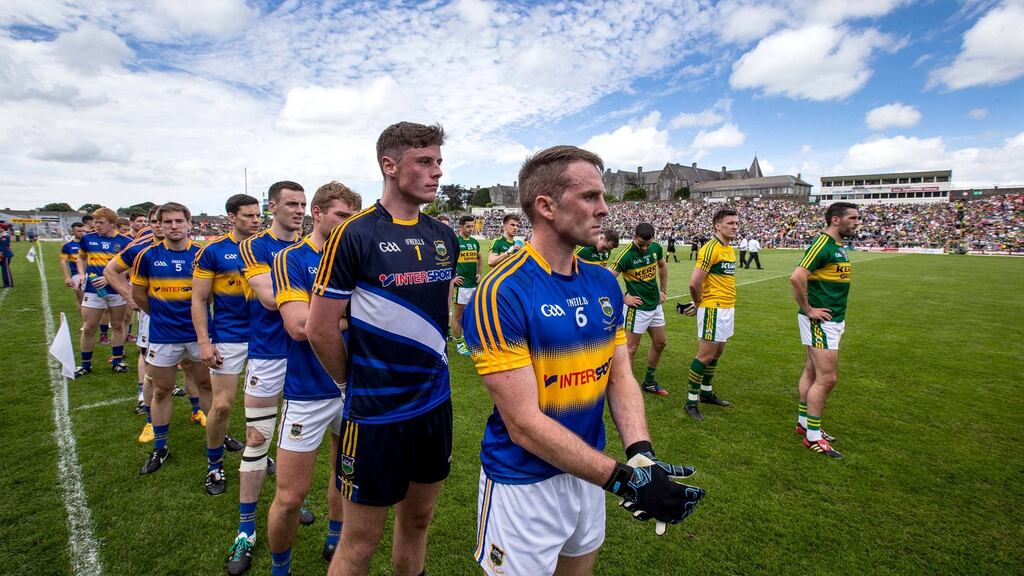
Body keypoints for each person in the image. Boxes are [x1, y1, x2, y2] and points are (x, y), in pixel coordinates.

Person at [463, 145, 704, 576]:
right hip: (524, 482)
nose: (605, 209)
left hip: (588, 469)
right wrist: (624, 481)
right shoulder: (501, 291)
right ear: (546, 206)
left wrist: (640, 454)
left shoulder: (603, 282)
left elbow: (619, 375)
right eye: (590, 196)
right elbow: (523, 423)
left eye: (603, 196)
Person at [307, 121, 457, 576]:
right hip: (375, 414)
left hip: (434, 406)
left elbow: (438, 314)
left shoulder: (443, 236)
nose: (437, 172)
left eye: (438, 161)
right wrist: (348, 383)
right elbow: (319, 328)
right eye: (424, 161)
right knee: (359, 542)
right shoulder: (354, 233)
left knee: (418, 520)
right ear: (389, 166)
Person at [267, 182, 362, 575]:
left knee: (345, 478)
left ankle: (335, 536)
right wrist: (352, 319)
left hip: (354, 390)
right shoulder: (291, 258)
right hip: (308, 391)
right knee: (291, 496)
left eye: (353, 218)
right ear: (317, 214)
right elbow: (299, 326)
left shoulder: (358, 259)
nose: (347, 224)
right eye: (341, 215)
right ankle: (280, 568)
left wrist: (327, 320)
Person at [229, 180, 307, 574]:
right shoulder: (255, 247)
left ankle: (288, 504)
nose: (299, 211)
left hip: (307, 355)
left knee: (302, 439)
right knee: (258, 438)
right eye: (291, 204)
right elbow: (269, 298)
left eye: (303, 204)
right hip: (269, 356)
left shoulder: (311, 247)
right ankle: (245, 530)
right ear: (272, 206)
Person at [130, 202, 210, 474]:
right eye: (168, 222)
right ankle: (160, 446)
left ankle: (217, 436)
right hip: (163, 336)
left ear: (189, 224)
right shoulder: (147, 256)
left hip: (199, 334)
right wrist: (161, 314)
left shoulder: (202, 254)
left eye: (179, 221)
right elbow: (139, 295)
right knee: (162, 390)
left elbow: (210, 295)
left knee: (205, 385)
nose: (174, 226)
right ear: (160, 225)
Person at [191, 194, 262, 497]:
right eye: (248, 215)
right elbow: (198, 299)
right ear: (232, 217)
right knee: (221, 406)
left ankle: (258, 452)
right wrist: (204, 343)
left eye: (258, 215)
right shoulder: (213, 251)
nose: (256, 220)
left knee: (262, 406)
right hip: (228, 337)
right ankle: (214, 463)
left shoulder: (268, 246)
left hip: (265, 338)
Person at [790, 202, 860, 459]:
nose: (857, 223)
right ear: (835, 220)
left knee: (812, 371)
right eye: (852, 218)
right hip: (821, 322)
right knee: (828, 378)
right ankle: (812, 437)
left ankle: (804, 424)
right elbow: (797, 277)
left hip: (833, 319)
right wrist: (809, 309)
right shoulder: (822, 244)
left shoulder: (837, 246)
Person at [104, 208, 163, 425]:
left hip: (183, 313)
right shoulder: (141, 245)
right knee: (147, 354)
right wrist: (129, 296)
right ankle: (142, 395)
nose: (161, 225)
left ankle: (195, 406)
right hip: (151, 311)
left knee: (188, 361)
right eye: (155, 221)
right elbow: (111, 270)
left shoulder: (190, 247)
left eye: (165, 220)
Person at [683, 209, 738, 421]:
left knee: (717, 352)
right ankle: (691, 402)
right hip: (713, 308)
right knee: (704, 355)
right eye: (730, 223)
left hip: (727, 308)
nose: (735, 227)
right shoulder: (710, 249)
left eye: (736, 223)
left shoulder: (729, 249)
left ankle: (706, 393)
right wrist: (699, 304)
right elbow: (694, 283)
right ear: (718, 226)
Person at [609, 223, 670, 395]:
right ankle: (625, 388)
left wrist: (663, 290)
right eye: (641, 244)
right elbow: (607, 279)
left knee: (660, 343)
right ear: (634, 236)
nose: (644, 248)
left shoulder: (655, 248)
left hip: (655, 305)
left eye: (647, 244)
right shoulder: (626, 255)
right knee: (630, 349)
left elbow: (663, 266)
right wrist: (623, 298)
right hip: (637, 309)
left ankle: (649, 382)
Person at [76, 207, 133, 375]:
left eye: (101, 222)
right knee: (88, 327)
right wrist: (82, 275)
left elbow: (129, 267)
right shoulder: (87, 238)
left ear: (112, 223)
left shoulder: (125, 241)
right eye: (96, 222)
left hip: (117, 290)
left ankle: (117, 361)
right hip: (93, 289)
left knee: (117, 325)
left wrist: (109, 278)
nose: (97, 225)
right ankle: (85, 365)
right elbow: (81, 257)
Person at [452, 214, 482, 356]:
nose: (471, 229)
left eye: (472, 226)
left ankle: (471, 340)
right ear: (460, 227)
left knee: (472, 315)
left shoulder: (474, 242)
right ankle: (459, 344)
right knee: (458, 317)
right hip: (461, 286)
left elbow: (479, 258)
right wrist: (452, 278)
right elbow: (446, 261)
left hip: (473, 285)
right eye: (468, 226)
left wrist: (479, 273)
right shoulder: (455, 242)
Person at [61, 223, 86, 306]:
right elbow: (63, 262)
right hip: (77, 275)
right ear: (72, 232)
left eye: (83, 231)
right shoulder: (67, 246)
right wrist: (67, 277)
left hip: (92, 274)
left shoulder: (90, 243)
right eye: (79, 231)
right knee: (82, 299)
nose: (82, 233)